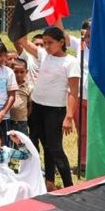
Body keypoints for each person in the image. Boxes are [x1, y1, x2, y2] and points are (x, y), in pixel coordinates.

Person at [17, 25, 79, 189]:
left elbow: (73, 92)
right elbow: (23, 41)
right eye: (44, 43)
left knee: (55, 148)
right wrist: (23, 17)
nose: (46, 46)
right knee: (40, 144)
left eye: (50, 42)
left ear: (61, 42)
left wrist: (69, 116)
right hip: (37, 108)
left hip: (55, 111)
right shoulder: (44, 54)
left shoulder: (70, 62)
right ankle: (49, 181)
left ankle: (69, 186)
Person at [67, 19, 90, 173]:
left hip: (96, 99)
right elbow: (62, 34)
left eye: (92, 35)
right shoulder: (79, 45)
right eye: (87, 36)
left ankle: (95, 162)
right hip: (79, 97)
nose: (89, 39)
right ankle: (82, 163)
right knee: (82, 132)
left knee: (94, 133)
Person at [10, 58, 33, 135]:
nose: (19, 74)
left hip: (22, 121)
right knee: (8, 143)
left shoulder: (29, 87)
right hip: (8, 120)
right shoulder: (8, 85)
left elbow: (30, 105)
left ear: (26, 72)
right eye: (15, 72)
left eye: (22, 72)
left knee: (22, 142)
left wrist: (25, 116)